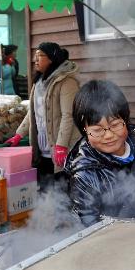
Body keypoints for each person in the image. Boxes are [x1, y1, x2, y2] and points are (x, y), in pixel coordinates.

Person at [65, 80, 135, 226]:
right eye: (97, 130)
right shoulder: (85, 174)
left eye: (115, 125)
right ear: (84, 130)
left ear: (126, 120)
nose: (108, 135)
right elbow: (87, 226)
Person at [5, 42, 80, 185]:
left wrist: (61, 146)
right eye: (35, 56)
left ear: (51, 58)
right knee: (45, 193)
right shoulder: (38, 82)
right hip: (42, 149)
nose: (36, 59)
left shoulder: (67, 82)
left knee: (61, 192)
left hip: (61, 150)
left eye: (40, 56)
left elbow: (68, 115)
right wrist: (19, 134)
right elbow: (32, 112)